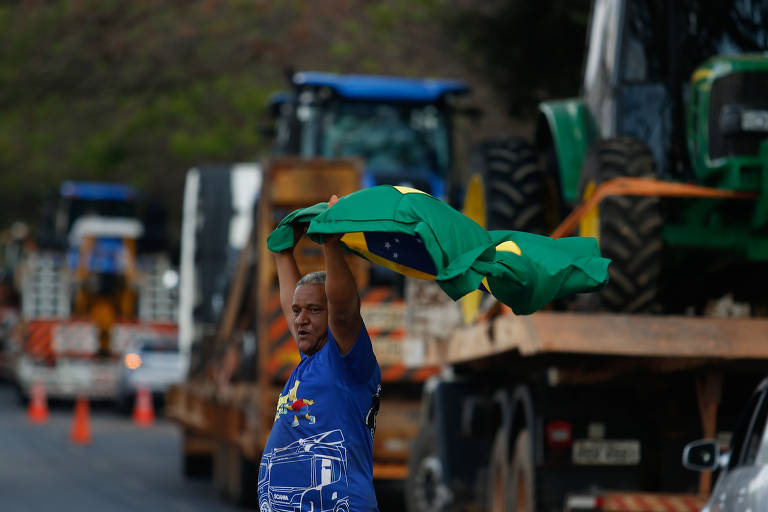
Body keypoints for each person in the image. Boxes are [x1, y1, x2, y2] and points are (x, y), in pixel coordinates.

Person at [258, 195, 381, 512]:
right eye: (297, 311)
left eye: (314, 310)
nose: (300, 319)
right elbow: (293, 305)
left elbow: (342, 310)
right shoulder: (309, 363)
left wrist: (330, 244)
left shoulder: (346, 362)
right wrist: (282, 254)